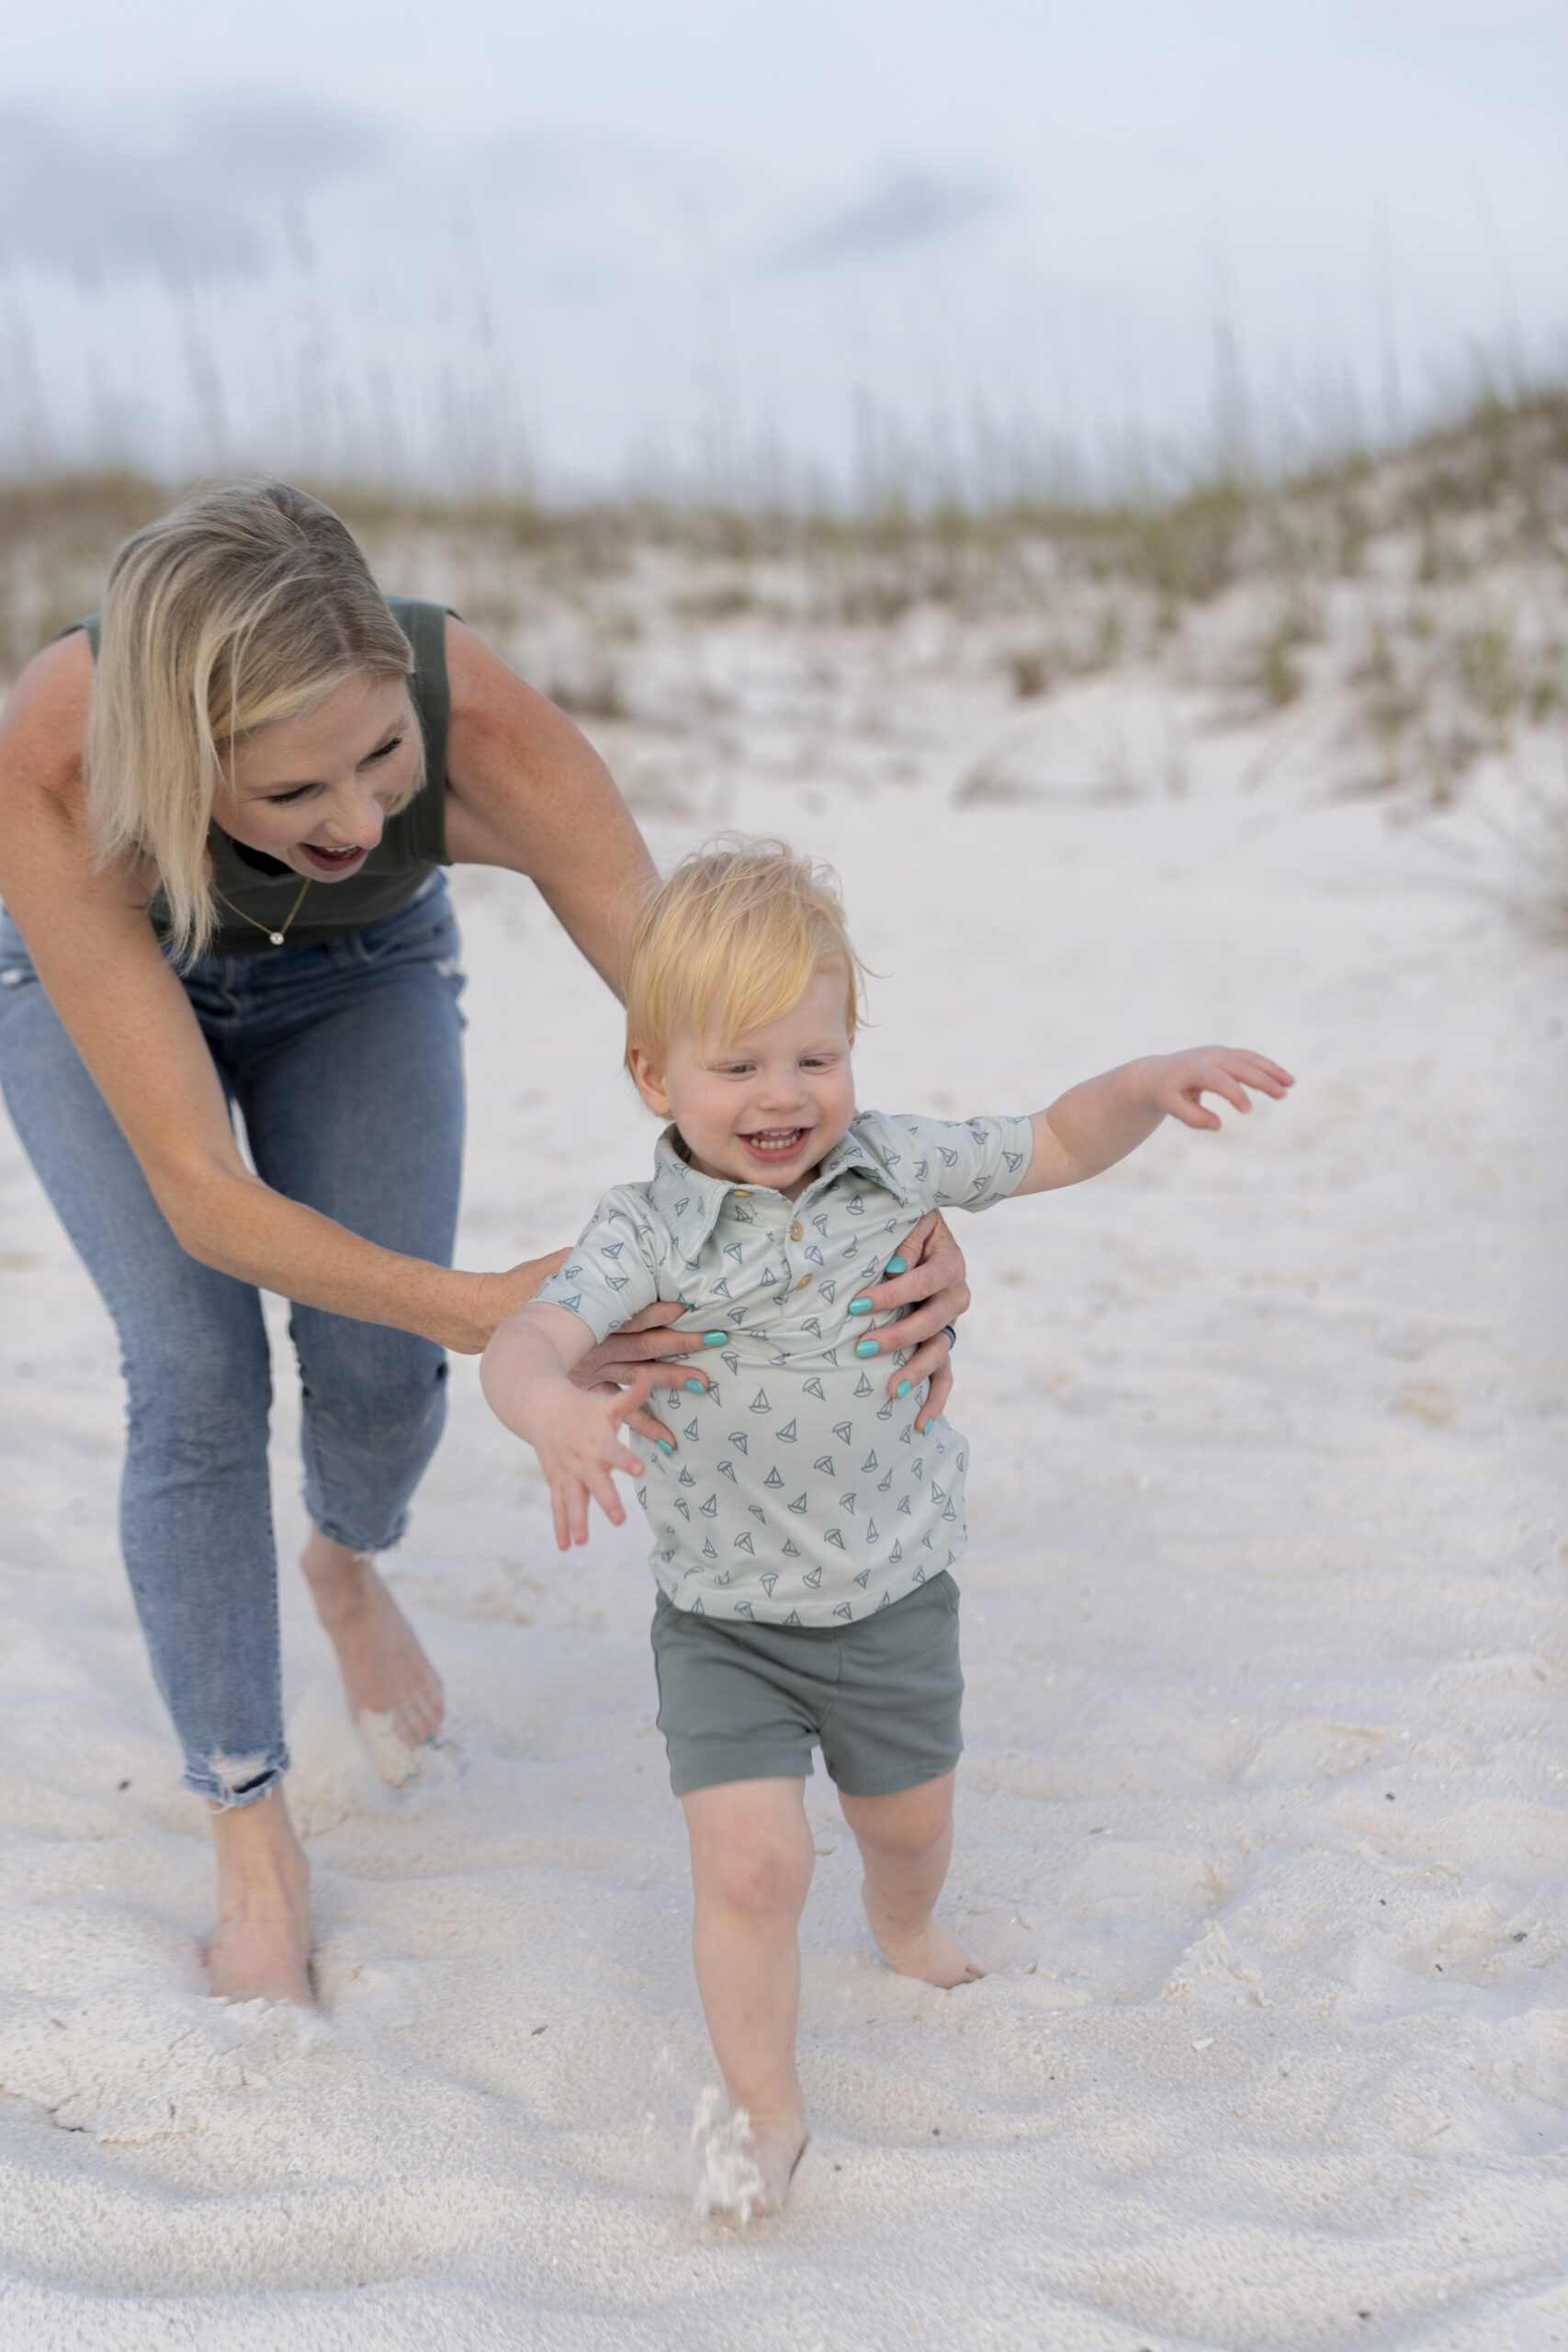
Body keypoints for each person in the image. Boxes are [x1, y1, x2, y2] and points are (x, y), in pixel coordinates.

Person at [0, 486, 970, 2011]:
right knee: (193, 1375)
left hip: (358, 972)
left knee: (380, 1378)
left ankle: (344, 1564)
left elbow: (729, 1022)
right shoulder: (58, 756)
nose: (362, 818)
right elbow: (199, 1189)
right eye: (293, 792)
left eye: (384, 755)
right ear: (183, 760)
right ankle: (251, 1832)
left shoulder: (483, 727)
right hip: (95, 984)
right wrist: (484, 1305)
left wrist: (887, 1210)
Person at [479, 837, 1293, 2217]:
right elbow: (524, 1337)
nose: (784, 1096)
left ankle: (905, 1927)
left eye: (815, 1056)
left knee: (906, 1827)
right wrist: (550, 1408)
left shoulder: (892, 1166)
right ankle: (766, 2110)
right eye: (737, 1067)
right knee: (752, 1866)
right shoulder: (644, 1233)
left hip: (897, 1596)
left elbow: (1055, 1139)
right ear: (652, 1078)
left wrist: (1151, 1085)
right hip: (727, 1621)